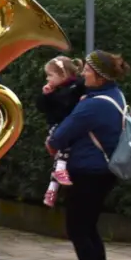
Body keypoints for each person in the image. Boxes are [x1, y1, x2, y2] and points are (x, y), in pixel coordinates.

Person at [46, 50, 131, 260]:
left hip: (87, 172)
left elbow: (58, 137)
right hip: (102, 171)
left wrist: (52, 140)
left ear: (100, 76)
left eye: (88, 71)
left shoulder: (93, 104)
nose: (83, 74)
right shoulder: (114, 95)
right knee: (89, 228)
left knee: (79, 228)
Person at [38, 55, 86, 204]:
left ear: (63, 74)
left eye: (50, 75)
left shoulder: (76, 87)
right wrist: (45, 96)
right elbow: (43, 108)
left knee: (64, 151)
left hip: (66, 127)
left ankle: (52, 188)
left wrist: (51, 96)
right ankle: (52, 187)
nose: (47, 79)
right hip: (57, 127)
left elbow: (65, 105)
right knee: (61, 154)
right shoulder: (57, 89)